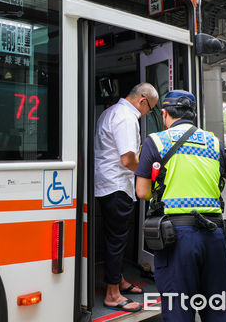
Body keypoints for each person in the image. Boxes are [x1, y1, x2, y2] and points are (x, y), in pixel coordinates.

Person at [135, 90, 226, 321]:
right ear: (194, 114)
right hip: (216, 234)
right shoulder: (215, 141)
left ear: (164, 113)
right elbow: (217, 185)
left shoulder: (156, 141)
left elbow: (142, 191)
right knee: (218, 311)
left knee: (179, 310)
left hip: (176, 238)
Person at [95, 82, 159, 313]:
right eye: (150, 108)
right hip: (117, 186)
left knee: (116, 238)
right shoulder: (126, 117)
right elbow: (127, 159)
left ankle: (119, 280)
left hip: (109, 184)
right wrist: (147, 177)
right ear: (143, 100)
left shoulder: (111, 111)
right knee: (116, 240)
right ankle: (113, 294)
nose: (147, 113)